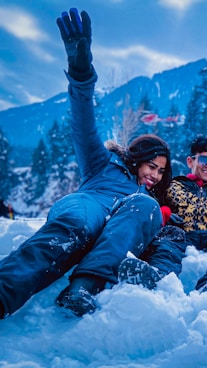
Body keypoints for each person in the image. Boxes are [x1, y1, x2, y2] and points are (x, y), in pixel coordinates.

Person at [0, 8, 172, 319]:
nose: (155, 175)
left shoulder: (144, 201)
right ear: (137, 158)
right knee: (76, 228)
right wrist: (81, 74)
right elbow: (83, 123)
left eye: (161, 171)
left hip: (119, 222)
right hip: (88, 205)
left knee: (145, 208)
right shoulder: (102, 162)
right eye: (152, 166)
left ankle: (82, 287)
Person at [118, 134, 207, 292]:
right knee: (166, 237)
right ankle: (158, 276)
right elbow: (151, 203)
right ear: (190, 161)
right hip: (179, 235)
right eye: (204, 160)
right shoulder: (171, 185)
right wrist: (163, 212)